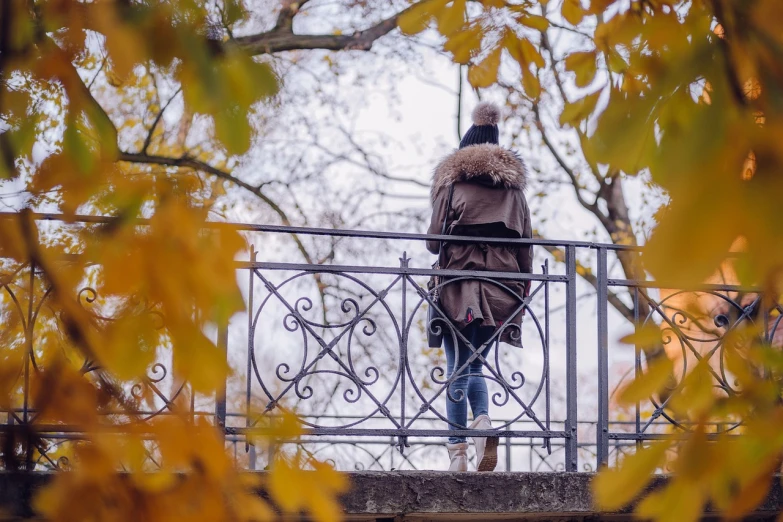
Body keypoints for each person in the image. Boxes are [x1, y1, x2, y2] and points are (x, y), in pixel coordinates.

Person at [426, 101, 533, 472]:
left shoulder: (452, 183)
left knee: (459, 365)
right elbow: (526, 250)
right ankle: (482, 423)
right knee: (473, 364)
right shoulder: (516, 193)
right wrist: (522, 293)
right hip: (501, 289)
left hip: (458, 285)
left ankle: (458, 450)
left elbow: (433, 242)